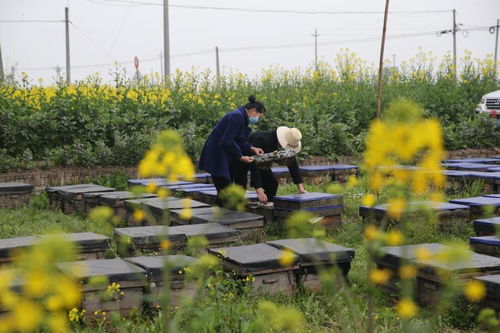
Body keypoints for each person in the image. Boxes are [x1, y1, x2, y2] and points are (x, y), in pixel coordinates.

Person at [198, 96, 265, 206]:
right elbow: (227, 140)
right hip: (217, 153)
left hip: (223, 152)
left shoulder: (241, 117)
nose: (257, 119)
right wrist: (240, 156)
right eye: (258, 116)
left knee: (224, 190)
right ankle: (222, 218)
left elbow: (238, 140)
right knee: (224, 190)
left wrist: (251, 148)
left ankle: (221, 217)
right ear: (253, 111)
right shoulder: (237, 117)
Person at [235, 126, 308, 204]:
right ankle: (235, 211)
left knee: (272, 183)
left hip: (261, 162)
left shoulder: (286, 144)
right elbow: (254, 165)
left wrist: (300, 188)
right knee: (240, 186)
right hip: (241, 157)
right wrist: (258, 189)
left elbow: (292, 163)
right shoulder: (262, 139)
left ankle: (266, 208)